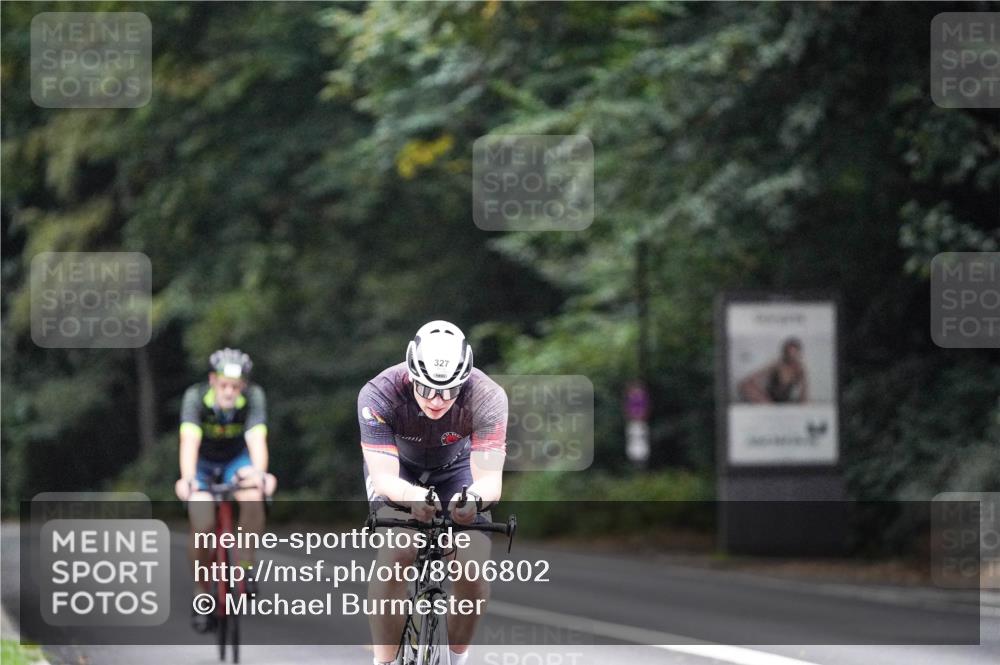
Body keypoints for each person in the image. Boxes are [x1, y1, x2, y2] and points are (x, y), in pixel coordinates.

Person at [359, 321, 508, 665]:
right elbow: (384, 478)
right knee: (396, 554)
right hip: (399, 471)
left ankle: (457, 659)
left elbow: (490, 481)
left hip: (458, 473)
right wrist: (413, 499)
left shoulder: (487, 396)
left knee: (472, 567)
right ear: (411, 375)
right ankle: (385, 662)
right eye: (426, 389)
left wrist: (471, 501)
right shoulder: (379, 393)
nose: (437, 400)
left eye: (449, 390)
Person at [174, 347, 276, 632]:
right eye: (224, 385)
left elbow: (257, 440)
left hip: (236, 461)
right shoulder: (195, 398)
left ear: (243, 385)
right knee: (203, 522)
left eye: (235, 386)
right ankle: (201, 592)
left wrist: (260, 474)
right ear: (212, 380)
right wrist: (188, 478)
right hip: (203, 464)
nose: (229, 392)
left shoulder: (253, 398)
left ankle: (245, 566)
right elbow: (189, 442)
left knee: (255, 496)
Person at [738, 337, 809, 404]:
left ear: (798, 353)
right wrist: (755, 389)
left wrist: (801, 404)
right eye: (789, 352)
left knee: (803, 400)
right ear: (785, 352)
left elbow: (804, 391)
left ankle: (771, 406)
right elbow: (754, 376)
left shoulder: (800, 369)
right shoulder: (777, 365)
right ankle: (768, 405)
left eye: (794, 353)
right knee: (744, 385)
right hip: (768, 399)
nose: (791, 356)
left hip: (785, 401)